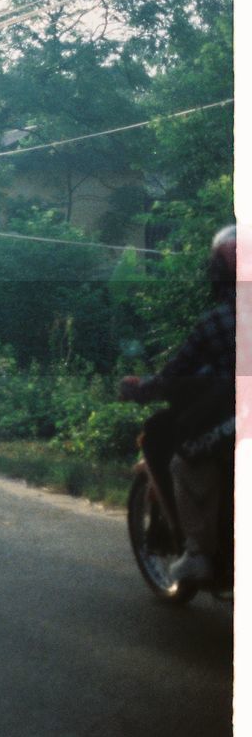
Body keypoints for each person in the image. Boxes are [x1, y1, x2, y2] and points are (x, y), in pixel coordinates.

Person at [120, 225, 236, 585]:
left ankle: (199, 553)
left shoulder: (219, 320)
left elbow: (174, 375)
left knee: (186, 458)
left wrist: (139, 389)